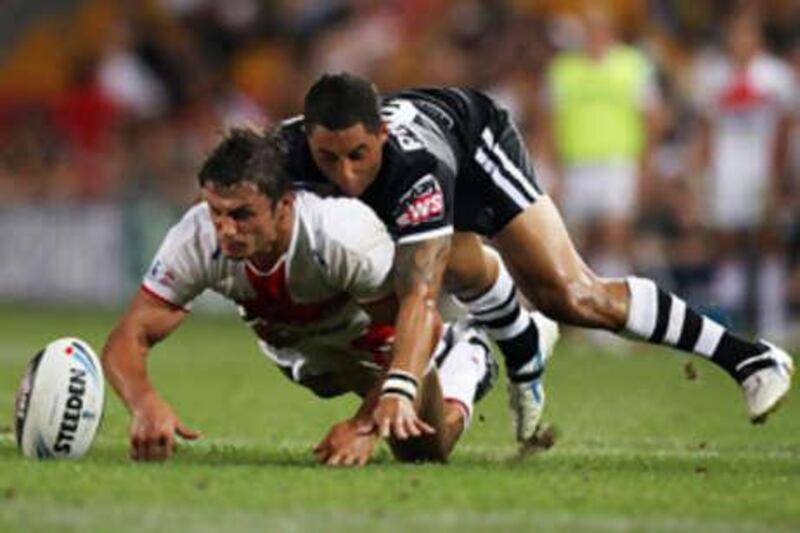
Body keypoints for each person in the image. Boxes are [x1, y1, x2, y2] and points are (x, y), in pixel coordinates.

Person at [278, 72, 794, 441]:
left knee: (572, 296)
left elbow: (421, 297)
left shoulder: (415, 170)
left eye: (357, 156)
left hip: (472, 141)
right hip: (419, 176)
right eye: (328, 158)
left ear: (381, 136)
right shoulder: (281, 152)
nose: (344, 175)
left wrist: (398, 386)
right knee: (431, 260)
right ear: (306, 139)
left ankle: (749, 357)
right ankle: (520, 338)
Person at [101, 127, 506, 464]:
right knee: (325, 380)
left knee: (422, 450)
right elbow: (129, 335)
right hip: (304, 354)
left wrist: (363, 425)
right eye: (215, 211)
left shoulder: (339, 237)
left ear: (283, 207)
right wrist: (144, 403)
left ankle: (467, 358)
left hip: (374, 343)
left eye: (242, 214)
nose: (225, 229)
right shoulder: (196, 237)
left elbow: (423, 323)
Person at [690, 7, 797, 340]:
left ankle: (772, 321)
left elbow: (784, 129)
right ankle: (728, 321)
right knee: (727, 242)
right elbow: (706, 129)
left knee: (769, 241)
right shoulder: (714, 75)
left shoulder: (775, 76)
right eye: (735, 33)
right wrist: (700, 175)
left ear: (758, 39)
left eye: (747, 33)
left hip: (760, 166)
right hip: (726, 168)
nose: (740, 40)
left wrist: (778, 177)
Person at [540, 6, 661, 280]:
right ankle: (582, 300)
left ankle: (616, 298)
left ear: (611, 31)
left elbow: (652, 118)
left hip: (618, 160)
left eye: (599, 28)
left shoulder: (633, 65)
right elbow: (548, 121)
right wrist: (552, 167)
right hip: (575, 163)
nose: (594, 35)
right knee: (580, 237)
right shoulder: (562, 70)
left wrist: (646, 165)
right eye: (588, 29)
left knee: (615, 232)